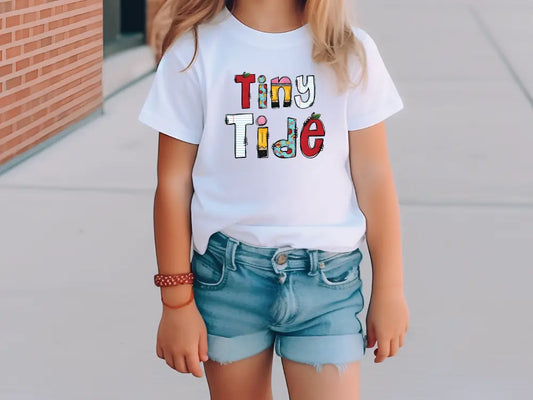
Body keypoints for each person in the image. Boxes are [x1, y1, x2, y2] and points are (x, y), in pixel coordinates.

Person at [138, 0, 410, 398]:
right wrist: (176, 303)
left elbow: (374, 177)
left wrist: (390, 289)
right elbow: (173, 183)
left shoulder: (349, 50)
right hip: (228, 280)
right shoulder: (194, 51)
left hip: (327, 283)